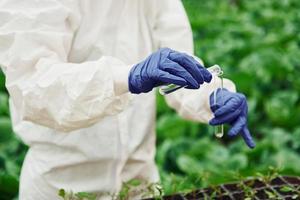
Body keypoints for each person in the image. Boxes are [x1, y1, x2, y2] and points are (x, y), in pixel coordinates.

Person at [0, 0, 255, 199]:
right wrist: (124, 78)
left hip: (140, 179)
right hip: (62, 184)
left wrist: (212, 94)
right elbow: (33, 84)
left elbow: (179, 60)